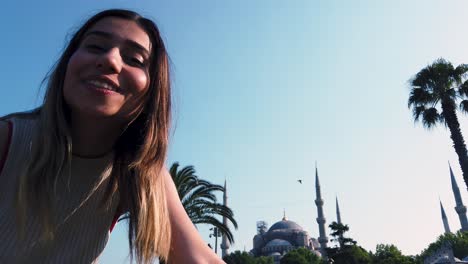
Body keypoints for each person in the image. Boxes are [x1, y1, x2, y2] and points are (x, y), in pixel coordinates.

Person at [0, 9, 223, 264]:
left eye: (135, 59)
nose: (110, 61)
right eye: (95, 46)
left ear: (152, 90)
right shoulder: (8, 140)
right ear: (67, 63)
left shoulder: (140, 173)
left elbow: (198, 259)